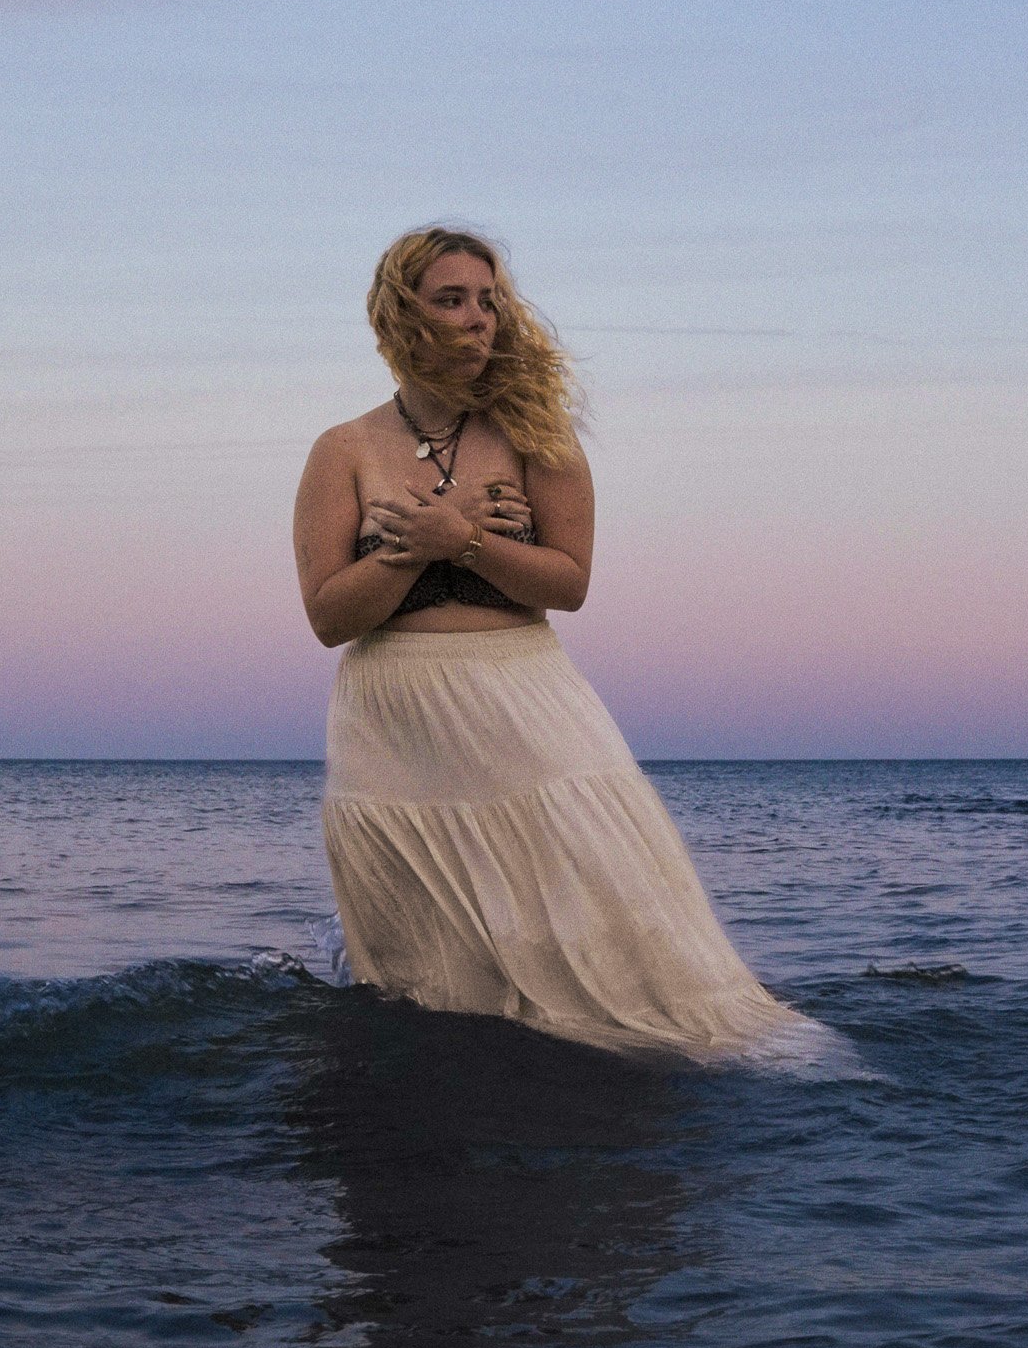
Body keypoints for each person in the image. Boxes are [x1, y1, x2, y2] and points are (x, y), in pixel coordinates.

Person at [292, 225, 814, 1062]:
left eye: (489, 300)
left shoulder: (536, 433)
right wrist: (420, 544)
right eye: (451, 300)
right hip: (391, 715)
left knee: (601, 905)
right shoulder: (343, 450)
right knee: (426, 971)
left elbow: (567, 584)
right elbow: (328, 617)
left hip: (519, 695)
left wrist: (463, 541)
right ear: (400, 315)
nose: (477, 318)